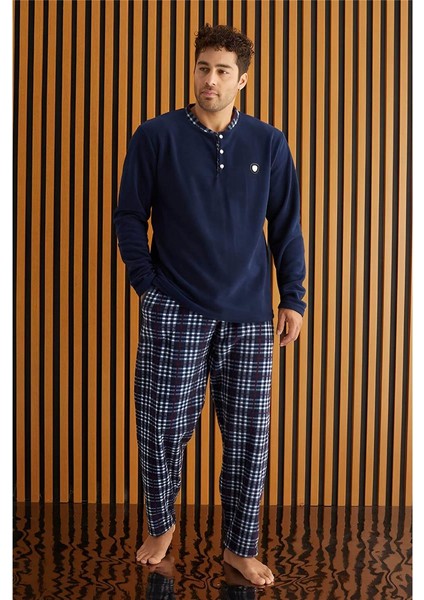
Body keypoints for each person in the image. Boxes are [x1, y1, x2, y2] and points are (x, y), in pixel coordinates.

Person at [114, 24, 306, 587]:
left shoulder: (269, 142)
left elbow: (286, 226)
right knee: (161, 429)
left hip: (250, 315)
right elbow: (129, 215)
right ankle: (161, 527)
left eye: (223, 71)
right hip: (174, 307)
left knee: (249, 438)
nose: (210, 80)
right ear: (193, 70)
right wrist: (147, 286)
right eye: (203, 68)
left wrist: (293, 297)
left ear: (242, 80)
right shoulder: (156, 136)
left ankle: (240, 548)